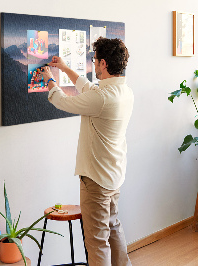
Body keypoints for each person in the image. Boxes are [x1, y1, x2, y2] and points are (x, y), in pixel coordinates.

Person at [38, 37, 133, 266]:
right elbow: (89, 88)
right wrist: (65, 68)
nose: (93, 65)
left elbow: (62, 101)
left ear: (103, 64)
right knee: (113, 229)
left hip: (96, 179)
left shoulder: (101, 98)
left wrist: (49, 79)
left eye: (94, 61)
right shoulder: (124, 92)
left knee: (97, 241)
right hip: (113, 175)